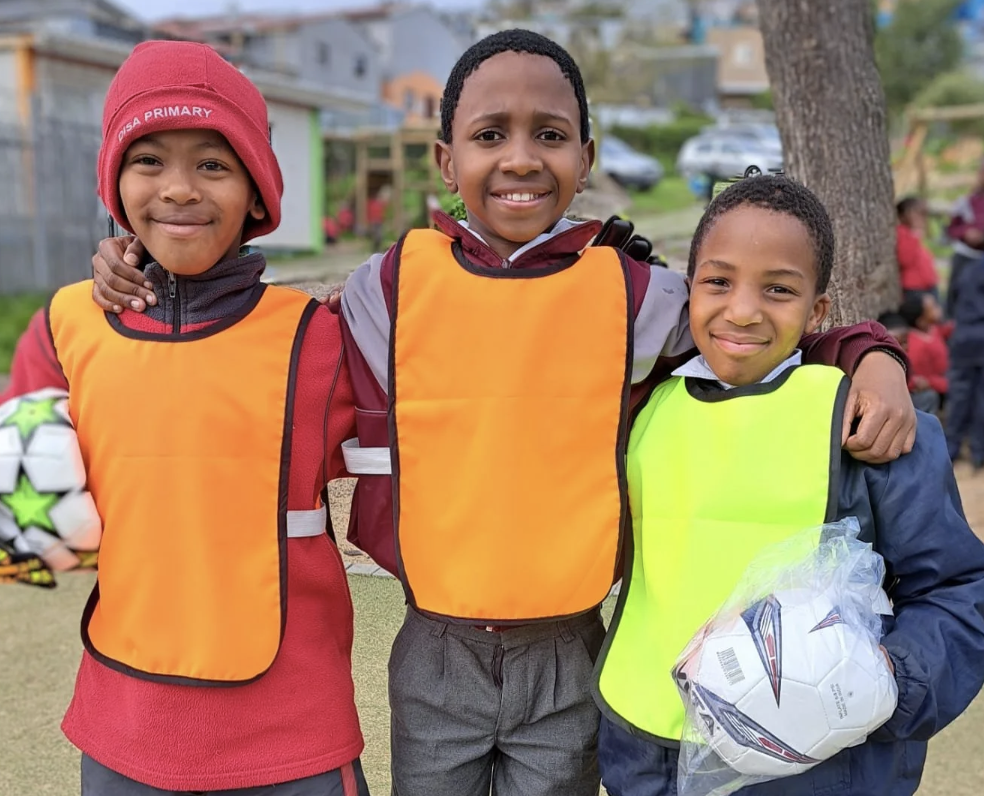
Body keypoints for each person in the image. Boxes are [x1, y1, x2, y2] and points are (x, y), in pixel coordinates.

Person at [88, 30, 916, 796]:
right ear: (447, 159)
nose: (520, 159)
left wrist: (872, 353)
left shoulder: (636, 295)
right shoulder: (387, 290)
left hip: (570, 646)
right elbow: (253, 353)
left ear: (586, 156)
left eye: (549, 136)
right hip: (432, 648)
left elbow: (752, 328)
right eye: (490, 136)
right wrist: (144, 267)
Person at [1, 41, 369, 796]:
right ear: (114, 182)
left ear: (258, 193)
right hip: (121, 731)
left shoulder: (323, 336)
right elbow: (21, 514)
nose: (178, 190)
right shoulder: (64, 327)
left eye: (213, 163)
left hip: (293, 738)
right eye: (148, 161)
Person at [594, 174, 984, 796]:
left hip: (820, 767)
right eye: (717, 282)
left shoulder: (864, 420)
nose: (743, 310)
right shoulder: (643, 409)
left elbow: (959, 587)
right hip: (648, 756)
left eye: (778, 290)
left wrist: (887, 679)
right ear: (687, 289)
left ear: (817, 310)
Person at [944, 219, 984, 467]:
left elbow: (950, 300)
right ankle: (979, 452)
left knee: (959, 394)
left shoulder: (963, 266)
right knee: (981, 396)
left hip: (963, 334)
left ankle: (951, 448)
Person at [878, 292, 951, 415]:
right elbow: (917, 381)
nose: (938, 309)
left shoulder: (933, 329)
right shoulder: (916, 349)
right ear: (921, 320)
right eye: (932, 307)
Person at [945, 161, 984, 317]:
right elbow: (951, 228)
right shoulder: (966, 202)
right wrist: (966, 232)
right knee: (958, 293)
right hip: (966, 256)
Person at [895, 196, 939, 302]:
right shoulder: (902, 232)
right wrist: (914, 236)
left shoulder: (917, 234)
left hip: (928, 285)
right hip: (914, 287)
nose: (921, 219)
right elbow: (905, 259)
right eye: (917, 214)